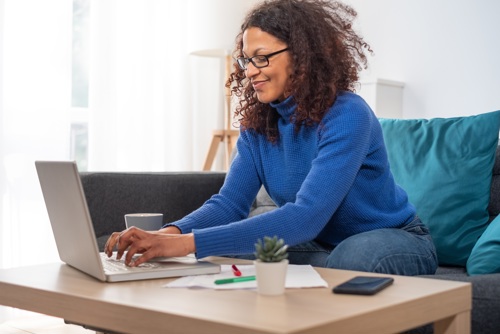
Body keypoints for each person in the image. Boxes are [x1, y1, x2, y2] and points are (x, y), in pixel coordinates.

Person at [105, 0, 438, 276]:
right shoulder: (258, 125)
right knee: (250, 249)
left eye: (262, 57)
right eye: (247, 60)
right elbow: (229, 204)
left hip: (393, 238)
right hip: (324, 245)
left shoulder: (348, 114)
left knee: (351, 260)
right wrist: (166, 236)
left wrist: (186, 244)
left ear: (303, 56)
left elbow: (306, 216)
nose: (250, 71)